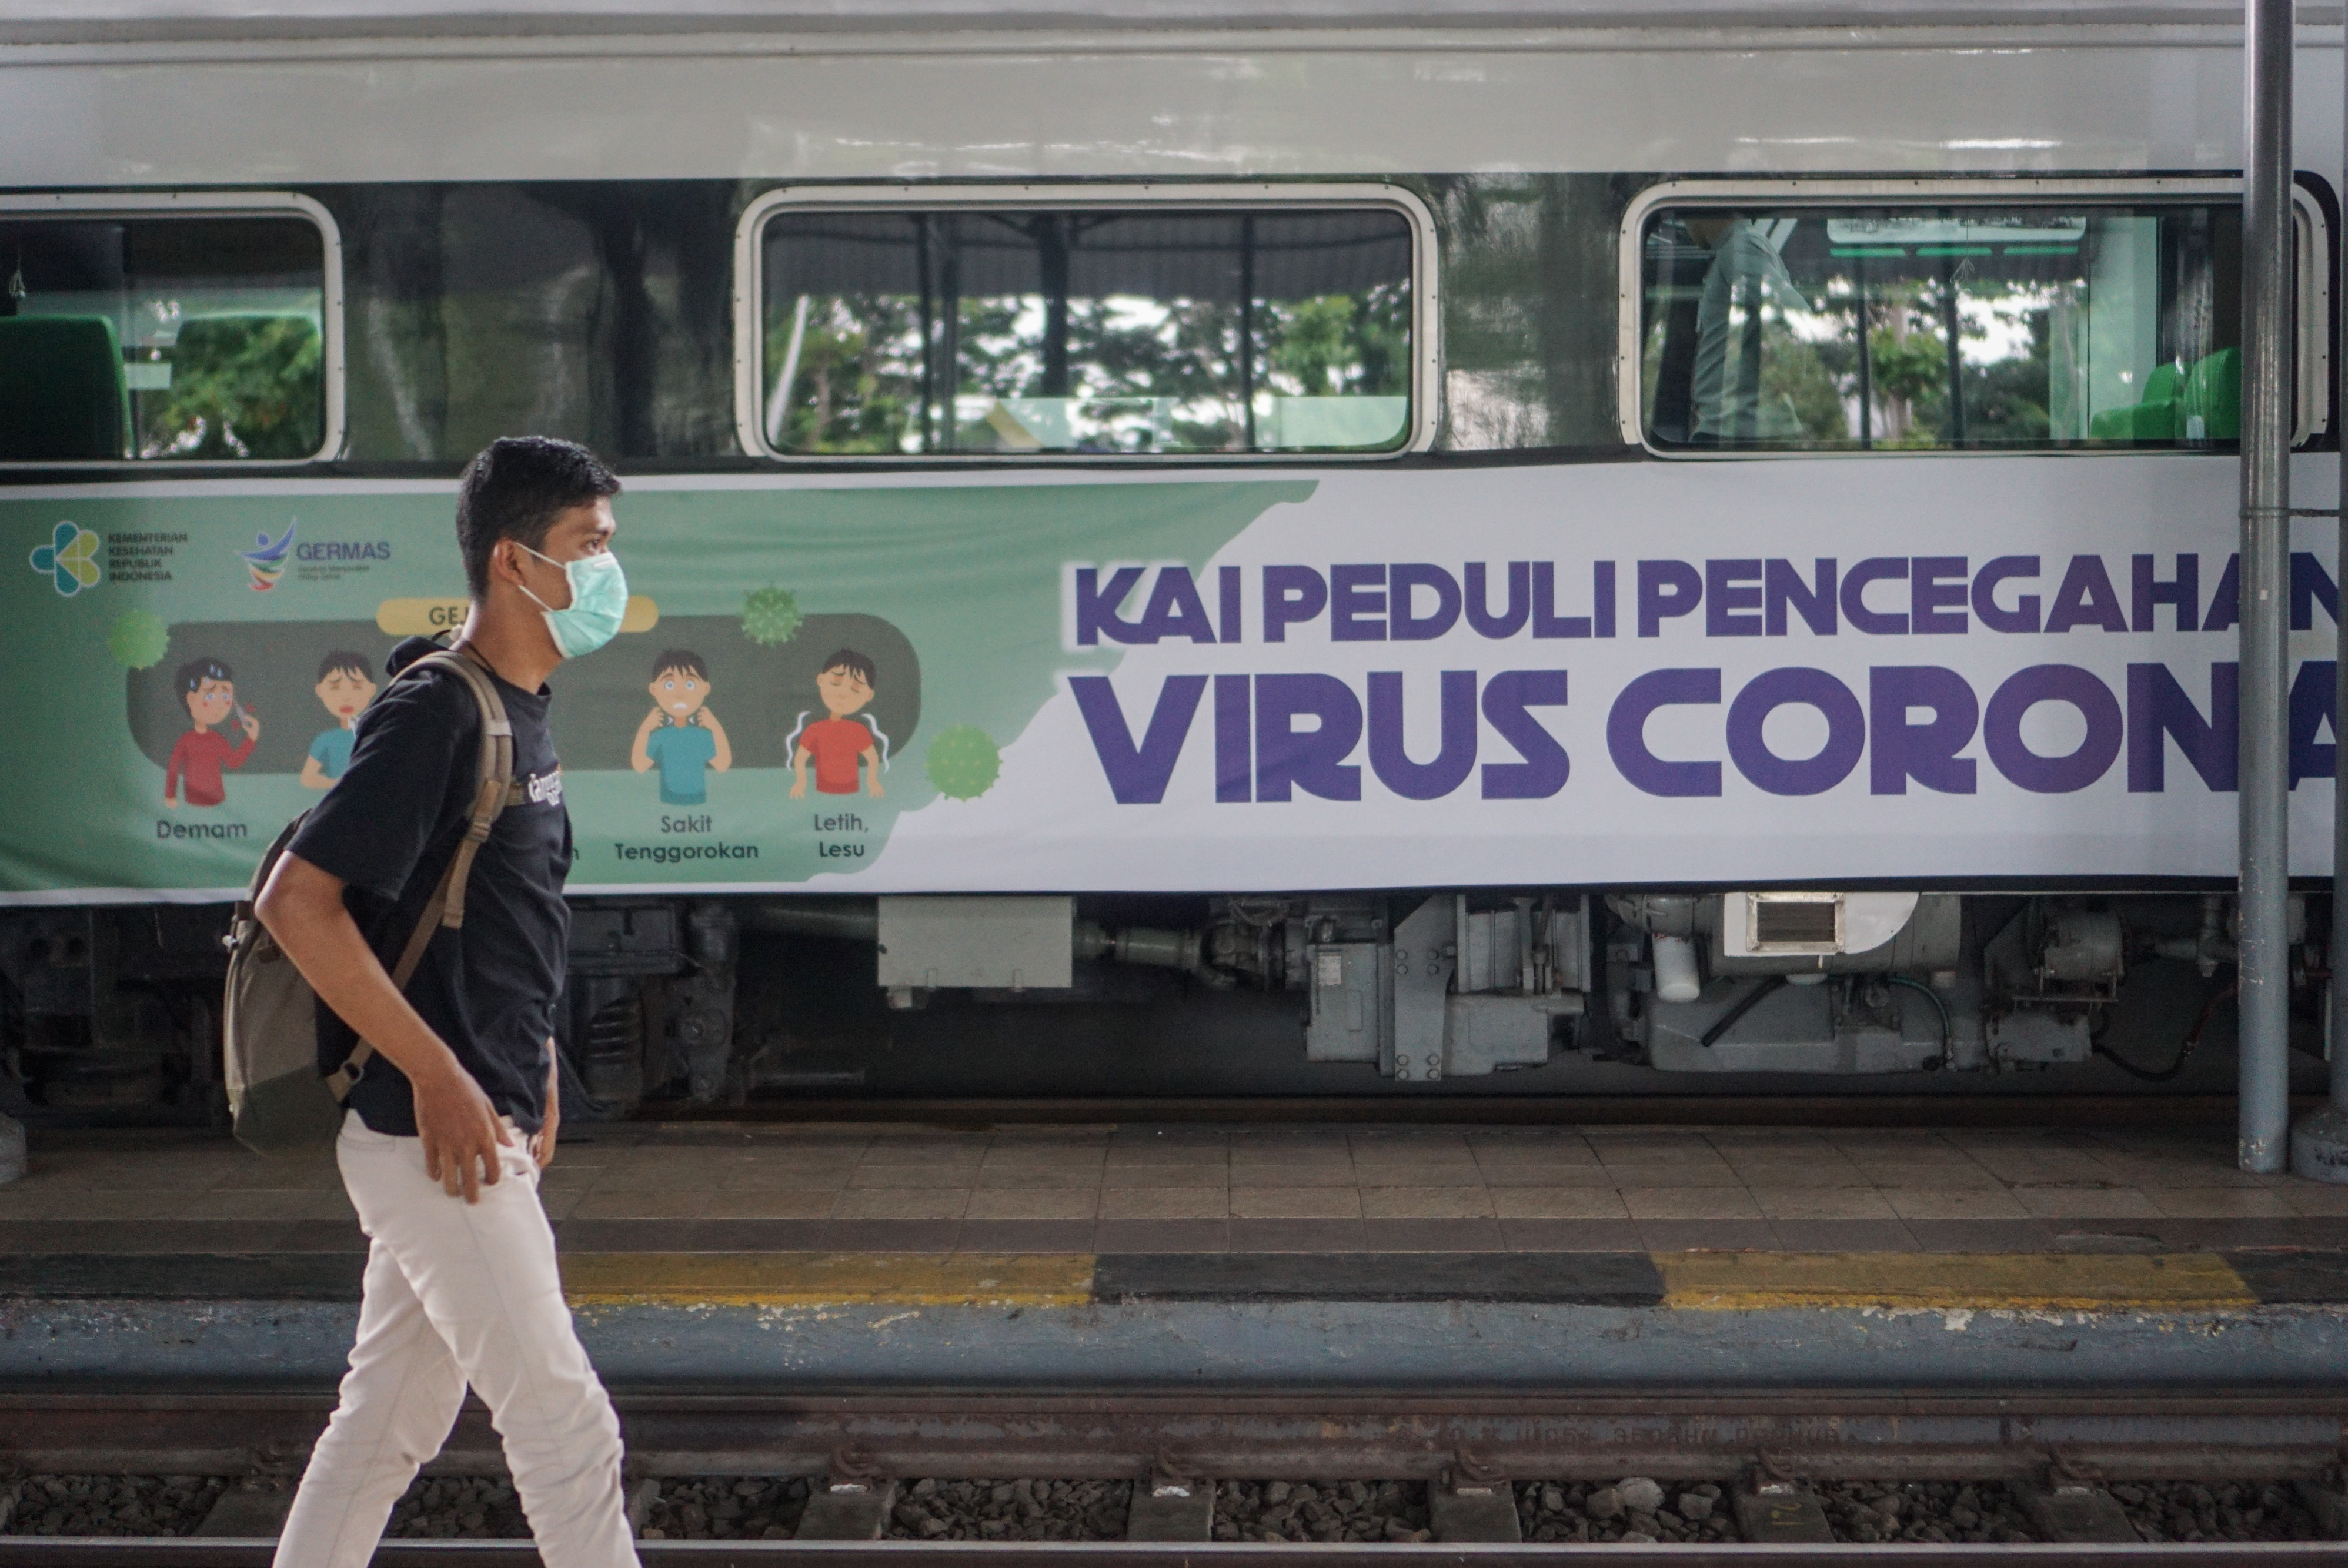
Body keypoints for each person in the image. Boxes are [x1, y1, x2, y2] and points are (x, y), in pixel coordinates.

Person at [255, 437, 640, 1568]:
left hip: (476, 1117)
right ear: (516, 562)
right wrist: (442, 1075)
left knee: (388, 1425)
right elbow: (299, 902)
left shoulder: (526, 707)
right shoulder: (438, 709)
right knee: (567, 1422)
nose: (609, 571)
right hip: (431, 1139)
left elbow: (500, 913)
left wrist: (538, 1064)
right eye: (591, 547)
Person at [630, 649, 732, 807]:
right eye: (669, 684)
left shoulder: (702, 736)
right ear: (654, 690)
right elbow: (639, 765)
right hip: (667, 802)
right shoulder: (661, 736)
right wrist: (645, 729)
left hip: (699, 801)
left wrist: (716, 728)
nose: (680, 694)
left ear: (705, 688)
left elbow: (723, 764)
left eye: (690, 684)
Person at [788, 648, 887, 799]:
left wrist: (872, 782)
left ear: (869, 695)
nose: (843, 693)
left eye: (855, 688)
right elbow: (800, 758)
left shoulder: (858, 731)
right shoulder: (815, 729)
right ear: (821, 680)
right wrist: (801, 783)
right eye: (836, 682)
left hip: (852, 793)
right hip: (821, 792)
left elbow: (873, 759)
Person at [163, 656, 259, 809]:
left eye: (226, 696)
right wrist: (170, 796)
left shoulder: (217, 739)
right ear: (191, 699)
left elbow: (233, 762)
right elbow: (174, 766)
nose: (220, 705)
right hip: (193, 802)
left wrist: (251, 739)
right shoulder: (186, 740)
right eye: (210, 696)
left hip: (218, 800)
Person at [301, 650, 379, 790]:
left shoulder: (377, 735)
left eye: (357, 687)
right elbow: (308, 778)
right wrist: (338, 784)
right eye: (335, 687)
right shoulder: (325, 740)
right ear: (319, 690)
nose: (346, 697)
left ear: (372, 689)